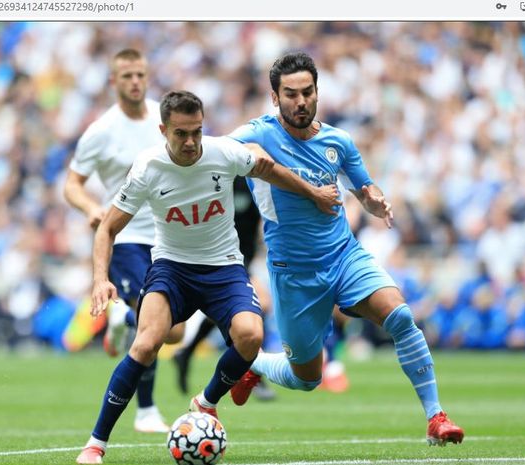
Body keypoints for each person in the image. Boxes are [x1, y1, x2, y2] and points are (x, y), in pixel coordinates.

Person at [75, 90, 340, 464]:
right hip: (171, 269)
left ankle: (206, 401)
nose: (190, 142)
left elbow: (270, 170)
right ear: (163, 130)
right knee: (147, 343)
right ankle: (95, 443)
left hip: (224, 269)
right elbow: (107, 229)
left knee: (251, 335)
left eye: (196, 132)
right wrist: (100, 277)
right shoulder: (148, 167)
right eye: (181, 133)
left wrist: (314, 193)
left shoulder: (222, 152)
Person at [228, 52, 465, 446]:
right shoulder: (256, 134)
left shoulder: (339, 141)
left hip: (343, 256)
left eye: (307, 92)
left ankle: (435, 417)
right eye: (290, 94)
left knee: (400, 315)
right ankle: (254, 366)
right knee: (307, 378)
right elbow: (214, 150)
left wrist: (374, 201)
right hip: (294, 272)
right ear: (274, 98)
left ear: (317, 92)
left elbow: (364, 187)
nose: (300, 101)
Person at [63, 48, 180, 434]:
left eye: (140, 74)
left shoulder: (164, 122)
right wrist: (92, 210)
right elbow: (72, 184)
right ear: (113, 81)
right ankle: (146, 410)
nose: (134, 81)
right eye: (126, 75)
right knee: (152, 319)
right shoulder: (101, 131)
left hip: (168, 234)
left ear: (148, 77)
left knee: (170, 329)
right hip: (126, 234)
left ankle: (120, 318)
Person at [171, 177, 277, 401]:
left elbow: (259, 221)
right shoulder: (223, 179)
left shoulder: (257, 182)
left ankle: (187, 354)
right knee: (257, 307)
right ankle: (252, 372)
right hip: (225, 260)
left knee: (225, 314)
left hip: (243, 258)